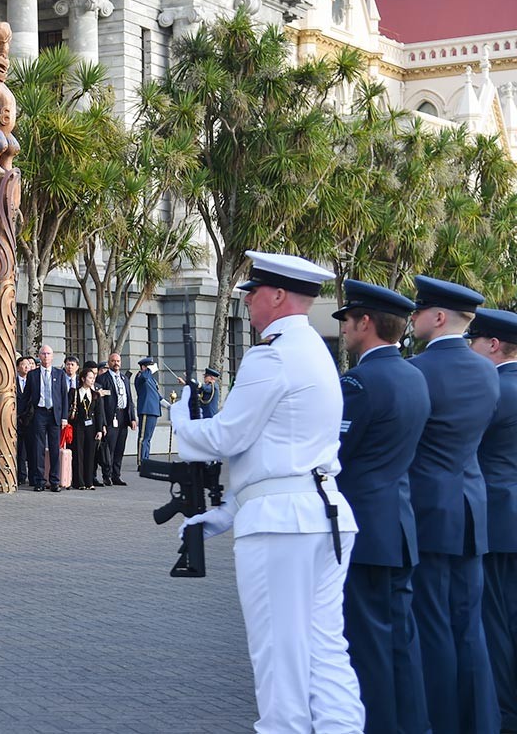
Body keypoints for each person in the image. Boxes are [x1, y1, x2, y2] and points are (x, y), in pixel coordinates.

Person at [173, 251, 363, 733]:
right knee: (324, 653)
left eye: (254, 292)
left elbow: (228, 437)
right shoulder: (314, 351)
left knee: (279, 654)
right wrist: (227, 511)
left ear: (278, 296)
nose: (249, 301)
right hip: (321, 516)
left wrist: (182, 422)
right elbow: (279, 451)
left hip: (283, 526)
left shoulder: (273, 353)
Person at [332, 280, 431, 733]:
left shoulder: (359, 381)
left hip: (365, 533)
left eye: (348, 321)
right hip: (400, 527)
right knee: (402, 645)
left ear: (366, 323)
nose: (346, 330)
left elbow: (335, 455)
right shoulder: (414, 375)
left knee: (367, 646)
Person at [407, 275, 501, 734]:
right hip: (471, 508)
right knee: (469, 624)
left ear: (439, 317)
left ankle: (440, 721)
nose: (414, 317)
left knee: (433, 623)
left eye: (420, 310)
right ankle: (480, 721)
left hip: (428, 510)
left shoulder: (418, 371)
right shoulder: (487, 371)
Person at [465, 308, 517, 732]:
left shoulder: (496, 391)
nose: (471, 350)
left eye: (475, 342)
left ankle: (504, 714)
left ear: (494, 345)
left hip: (499, 523)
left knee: (496, 625)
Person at [29, 345, 69, 492]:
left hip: (54, 414)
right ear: (39, 356)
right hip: (39, 413)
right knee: (38, 448)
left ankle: (54, 481)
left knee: (54, 449)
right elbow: (27, 396)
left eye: (48, 354)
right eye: (43, 353)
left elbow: (64, 397)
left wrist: (64, 417)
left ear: (52, 356)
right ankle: (39, 481)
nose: (46, 356)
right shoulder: (32, 374)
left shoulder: (59, 374)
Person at [95, 352, 135, 486]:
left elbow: (130, 399)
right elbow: (100, 403)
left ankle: (116, 475)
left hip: (123, 416)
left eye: (118, 361)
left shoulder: (125, 379)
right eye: (113, 361)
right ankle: (107, 475)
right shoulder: (102, 379)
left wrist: (133, 418)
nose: (116, 363)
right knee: (109, 448)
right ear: (109, 362)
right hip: (110, 416)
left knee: (120, 447)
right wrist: (103, 423)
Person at [69, 364, 104, 491]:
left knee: (90, 454)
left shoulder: (95, 394)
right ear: (83, 379)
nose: (92, 380)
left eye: (93, 378)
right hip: (78, 426)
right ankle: (79, 482)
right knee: (79, 453)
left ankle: (89, 481)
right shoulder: (75, 392)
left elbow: (100, 413)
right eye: (90, 378)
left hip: (92, 427)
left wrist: (100, 429)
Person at [134, 358, 161, 467]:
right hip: (146, 409)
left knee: (148, 438)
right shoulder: (141, 376)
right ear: (144, 367)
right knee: (143, 438)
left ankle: (146, 459)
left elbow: (156, 395)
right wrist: (148, 370)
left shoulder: (152, 379)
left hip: (154, 410)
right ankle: (141, 462)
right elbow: (144, 377)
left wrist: (169, 406)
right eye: (149, 366)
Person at [15, 355, 37, 485]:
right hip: (17, 419)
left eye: (29, 364)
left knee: (32, 450)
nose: (27, 367)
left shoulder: (34, 380)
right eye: (23, 365)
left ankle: (33, 477)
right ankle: (20, 476)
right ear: (18, 367)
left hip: (31, 419)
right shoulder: (13, 381)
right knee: (19, 450)